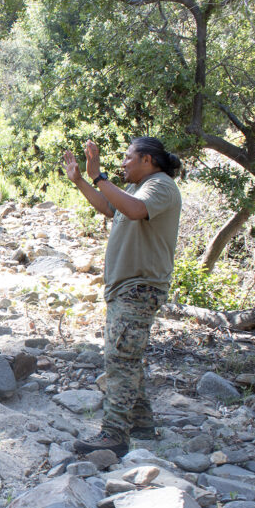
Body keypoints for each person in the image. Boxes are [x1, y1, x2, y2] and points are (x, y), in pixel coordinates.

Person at [62, 137, 183, 457]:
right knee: (127, 356)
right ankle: (142, 422)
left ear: (148, 160)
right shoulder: (138, 189)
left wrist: (100, 177)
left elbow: (135, 211)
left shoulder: (160, 186)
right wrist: (81, 181)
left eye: (128, 158)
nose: (124, 163)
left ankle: (114, 434)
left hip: (139, 288)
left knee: (120, 359)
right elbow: (109, 207)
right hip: (127, 288)